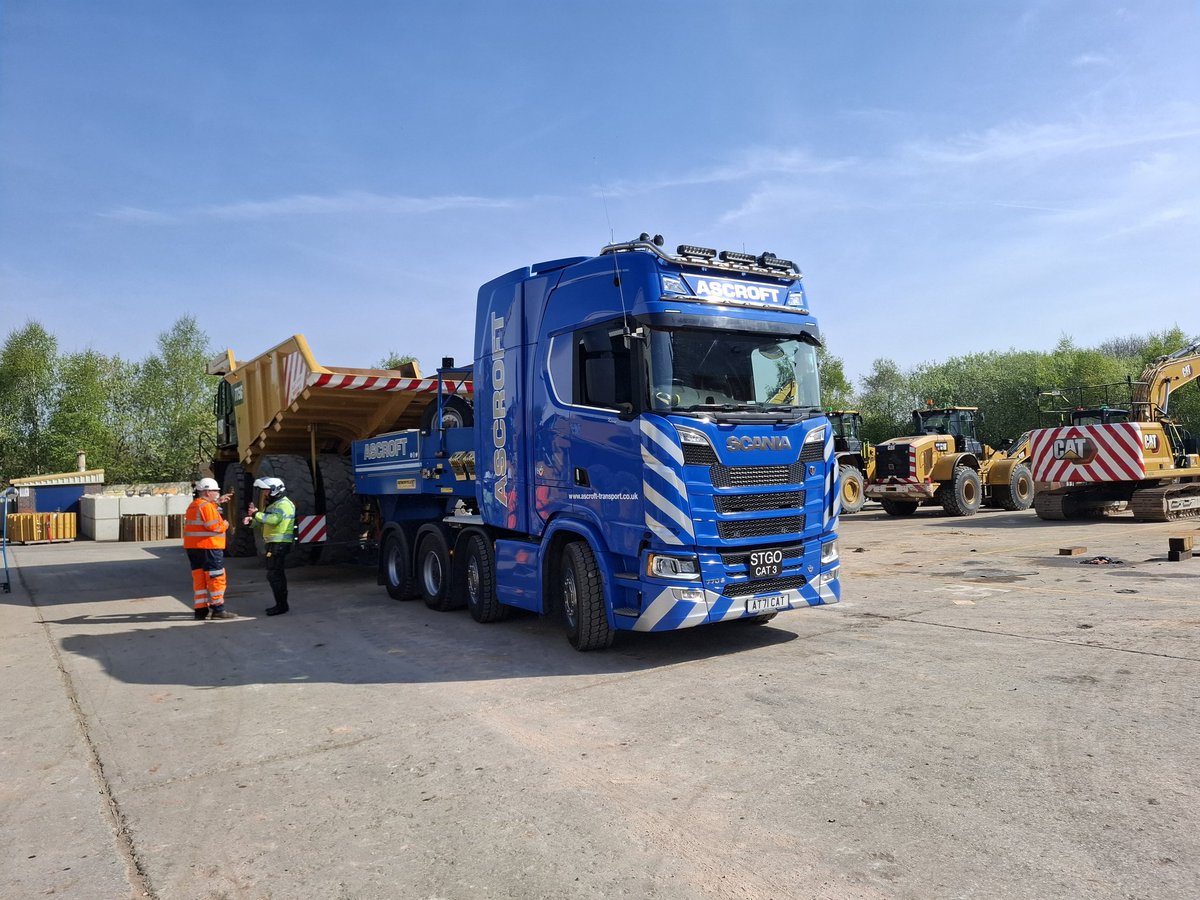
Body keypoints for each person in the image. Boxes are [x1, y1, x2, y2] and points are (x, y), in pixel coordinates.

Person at [183, 477, 237, 620]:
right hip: (209, 547)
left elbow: (203, 518)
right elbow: (214, 527)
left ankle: (200, 610)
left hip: (194, 548)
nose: (218, 493)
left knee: (199, 578)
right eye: (215, 491)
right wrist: (226, 524)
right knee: (216, 577)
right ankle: (218, 609)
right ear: (207, 492)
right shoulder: (206, 507)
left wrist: (218, 502)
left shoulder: (194, 505)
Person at [243, 476, 296, 616]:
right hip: (274, 544)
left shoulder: (283, 504)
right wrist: (251, 522)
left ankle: (281, 606)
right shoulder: (274, 504)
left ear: (275, 490)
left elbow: (274, 520)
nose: (265, 494)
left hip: (279, 544)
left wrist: (256, 514)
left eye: (266, 491)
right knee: (275, 574)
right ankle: (281, 605)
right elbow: (264, 522)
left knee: (275, 575)